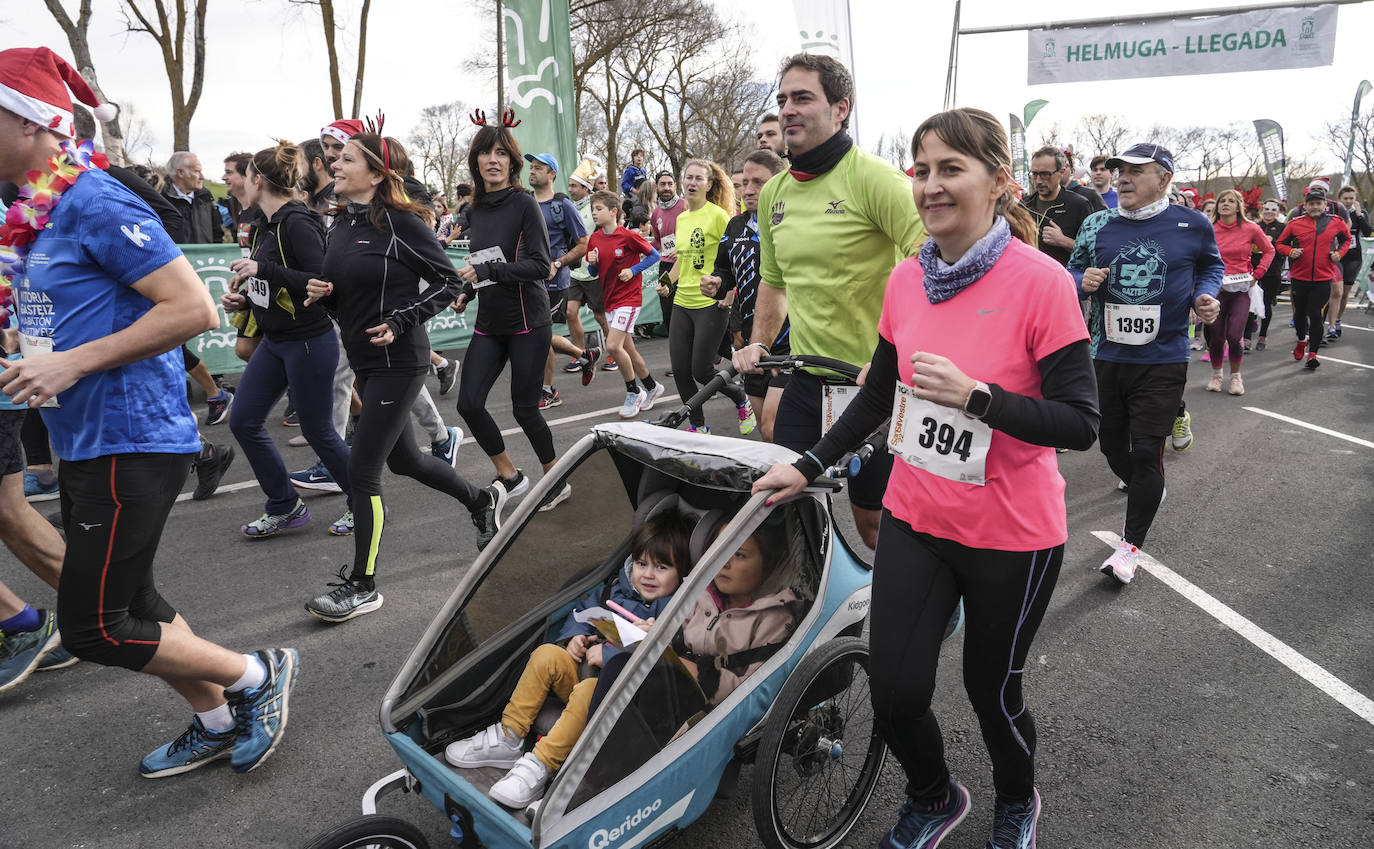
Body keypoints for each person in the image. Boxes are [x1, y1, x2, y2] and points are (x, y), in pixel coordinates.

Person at [755, 106, 1099, 849]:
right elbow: (880, 395)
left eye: (951, 168)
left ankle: (1016, 800)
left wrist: (979, 396)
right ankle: (936, 795)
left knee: (992, 692)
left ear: (999, 183)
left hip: (1012, 534)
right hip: (917, 516)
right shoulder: (907, 280)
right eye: (921, 169)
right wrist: (808, 465)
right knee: (896, 688)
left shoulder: (1042, 283)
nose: (930, 185)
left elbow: (1080, 422)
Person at [0, 46, 297, 777]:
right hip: (85, 435)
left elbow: (192, 307)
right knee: (140, 601)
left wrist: (70, 361)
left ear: (36, 124)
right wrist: (27, 344)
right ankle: (218, 716)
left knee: (95, 625)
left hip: (134, 435)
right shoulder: (31, 216)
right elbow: (73, 313)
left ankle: (259, 674)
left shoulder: (94, 200)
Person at [301, 131, 498, 622]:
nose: (334, 163)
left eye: (346, 158)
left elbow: (449, 282)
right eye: (334, 157)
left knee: (362, 472)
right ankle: (480, 499)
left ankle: (362, 586)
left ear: (376, 172)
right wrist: (322, 295)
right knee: (406, 461)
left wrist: (399, 320)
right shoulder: (342, 223)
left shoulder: (402, 222)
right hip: (365, 360)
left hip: (400, 360)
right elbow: (351, 289)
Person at [734, 52, 926, 550]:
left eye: (802, 98)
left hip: (875, 388)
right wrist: (757, 344)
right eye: (782, 101)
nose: (788, 110)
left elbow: (931, 262)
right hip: (807, 378)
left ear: (841, 108)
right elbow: (774, 283)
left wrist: (897, 358)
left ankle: (917, 605)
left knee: (873, 522)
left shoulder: (875, 179)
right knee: (780, 501)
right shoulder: (775, 190)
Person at [443, 508, 694, 808]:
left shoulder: (673, 612)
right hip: (585, 673)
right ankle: (509, 736)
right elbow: (583, 612)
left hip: (621, 702)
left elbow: (663, 669)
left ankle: (540, 765)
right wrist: (574, 638)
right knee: (547, 654)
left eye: (662, 567)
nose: (648, 574)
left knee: (589, 691)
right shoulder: (615, 589)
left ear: (681, 573)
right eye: (641, 564)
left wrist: (616, 651)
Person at [1067, 142, 1222, 581]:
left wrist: (1205, 296)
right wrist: (1083, 280)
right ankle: (1145, 486)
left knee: (1145, 451)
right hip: (1107, 353)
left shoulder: (1192, 224)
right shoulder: (1098, 223)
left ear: (1164, 179)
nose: (1124, 178)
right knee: (1112, 444)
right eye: (1120, 171)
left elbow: (1211, 267)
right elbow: (1070, 271)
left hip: (1165, 356)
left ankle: (1128, 550)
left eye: (1137, 171)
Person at [221, 141, 352, 539]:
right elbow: (276, 282)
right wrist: (244, 298)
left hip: (309, 341)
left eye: (243, 175)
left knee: (319, 432)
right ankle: (284, 505)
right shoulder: (266, 223)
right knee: (243, 421)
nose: (239, 182)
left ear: (257, 180)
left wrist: (263, 268)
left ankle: (365, 501)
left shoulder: (298, 222)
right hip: (276, 341)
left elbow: (323, 282)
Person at [452, 119, 566, 514]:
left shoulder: (524, 203)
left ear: (512, 161)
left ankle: (555, 479)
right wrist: (468, 291)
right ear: (476, 161)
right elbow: (485, 260)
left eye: (501, 153)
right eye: (486, 152)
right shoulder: (475, 208)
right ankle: (510, 475)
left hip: (527, 321)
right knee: (468, 403)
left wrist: (487, 274)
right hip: (490, 320)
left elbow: (540, 265)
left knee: (524, 408)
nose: (493, 160)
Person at [701, 149, 791, 442]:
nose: (748, 191)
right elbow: (724, 269)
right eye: (743, 184)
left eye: (759, 183)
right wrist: (717, 282)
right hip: (754, 341)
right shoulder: (735, 225)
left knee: (773, 425)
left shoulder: (792, 223)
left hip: (791, 340)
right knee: (768, 435)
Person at [665, 158, 754, 435]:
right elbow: (682, 260)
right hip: (682, 301)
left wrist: (731, 293)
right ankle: (699, 427)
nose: (692, 183)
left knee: (702, 371)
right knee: (680, 371)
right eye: (688, 178)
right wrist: (666, 282)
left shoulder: (718, 216)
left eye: (698, 179)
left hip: (711, 304)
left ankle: (740, 397)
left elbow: (733, 259)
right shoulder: (681, 218)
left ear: (709, 184)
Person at [524, 153, 597, 409]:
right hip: (528, 279)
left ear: (552, 174)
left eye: (539, 168)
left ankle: (548, 390)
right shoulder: (525, 202)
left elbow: (583, 244)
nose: (532, 171)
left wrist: (557, 264)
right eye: (531, 167)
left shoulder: (562, 206)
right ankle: (584, 355)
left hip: (554, 282)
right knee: (534, 334)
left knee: (539, 335)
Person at [585, 190, 663, 418]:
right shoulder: (595, 239)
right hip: (610, 300)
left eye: (598, 209)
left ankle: (633, 392)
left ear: (613, 212)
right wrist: (592, 264)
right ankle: (651, 387)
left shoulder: (628, 236)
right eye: (592, 210)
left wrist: (633, 270)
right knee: (627, 348)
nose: (594, 213)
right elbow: (594, 271)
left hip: (628, 299)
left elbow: (654, 255)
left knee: (612, 347)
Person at [1275, 185, 1352, 371]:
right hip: (1299, 278)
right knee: (1300, 316)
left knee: (1316, 316)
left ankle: (1313, 353)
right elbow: (1279, 244)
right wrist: (1291, 251)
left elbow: (1347, 239)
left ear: (1325, 204)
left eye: (1318, 203)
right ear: (1305, 206)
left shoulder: (1336, 221)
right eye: (1311, 204)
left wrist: (1339, 254)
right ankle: (1302, 340)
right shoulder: (1295, 223)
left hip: (1323, 278)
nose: (1315, 207)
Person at [1206, 188, 1273, 395]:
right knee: (1216, 336)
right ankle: (1217, 374)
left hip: (1241, 289)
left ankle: (1236, 377)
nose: (1225, 204)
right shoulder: (1209, 228)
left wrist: (1258, 273)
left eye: (1231, 201)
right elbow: (1198, 254)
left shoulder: (1250, 228)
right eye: (1222, 201)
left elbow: (1269, 250)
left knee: (1235, 336)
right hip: (1215, 289)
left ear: (1239, 206)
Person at [563, 173, 612, 370]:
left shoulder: (595, 207)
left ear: (586, 188)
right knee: (570, 312)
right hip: (575, 271)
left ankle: (614, 351)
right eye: (570, 185)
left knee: (600, 316)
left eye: (575, 186)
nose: (570, 189)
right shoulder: (568, 208)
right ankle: (582, 354)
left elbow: (608, 229)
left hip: (594, 272)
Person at [1022, 145, 1094, 267]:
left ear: (1061, 173)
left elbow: (1094, 251)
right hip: (1028, 280)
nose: (1039, 180)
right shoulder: (1023, 206)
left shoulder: (1079, 205)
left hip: (1064, 281)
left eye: (1045, 174)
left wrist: (1063, 241)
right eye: (1034, 174)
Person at [1329, 185, 1371, 340]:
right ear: (1340, 198)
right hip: (1336, 256)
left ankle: (1338, 320)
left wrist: (1360, 215)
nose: (1348, 201)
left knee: (1345, 293)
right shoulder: (1335, 213)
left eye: (1351, 198)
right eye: (1345, 198)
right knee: (1335, 291)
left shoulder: (1360, 214)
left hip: (1353, 257)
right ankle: (1330, 324)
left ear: (1355, 199)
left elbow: (1367, 232)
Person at [649, 171, 686, 341]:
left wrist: (681, 248)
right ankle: (677, 359)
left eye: (670, 184)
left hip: (685, 264)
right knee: (668, 312)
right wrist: (641, 248)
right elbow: (658, 241)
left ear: (675, 186)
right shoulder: (656, 213)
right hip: (665, 266)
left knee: (685, 311)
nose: (667, 188)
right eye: (663, 184)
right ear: (657, 187)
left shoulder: (685, 206)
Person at [1251, 199, 1288, 350]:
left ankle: (1262, 336)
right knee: (1249, 302)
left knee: (1266, 303)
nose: (1269, 212)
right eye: (1266, 208)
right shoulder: (1254, 226)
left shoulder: (1282, 227)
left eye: (1273, 210)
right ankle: (1246, 337)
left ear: (1278, 212)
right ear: (1262, 209)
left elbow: (1285, 246)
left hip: (1272, 270)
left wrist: (1273, 242)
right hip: (1253, 268)